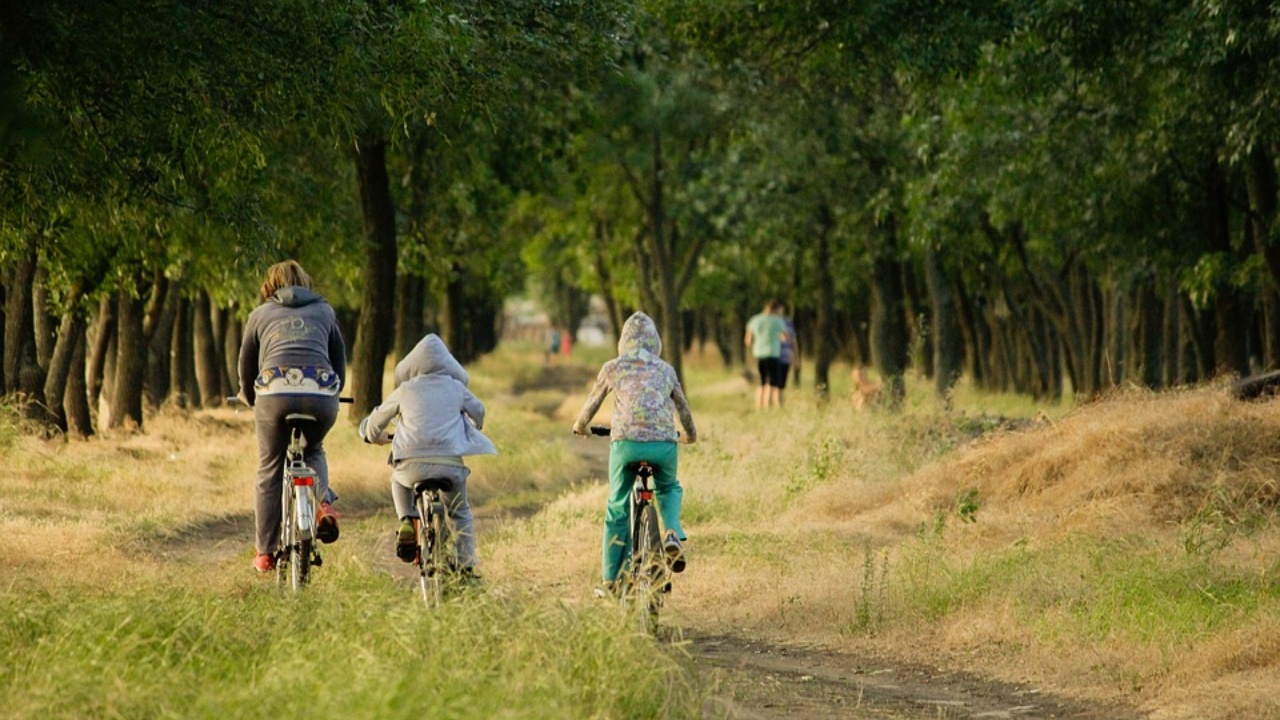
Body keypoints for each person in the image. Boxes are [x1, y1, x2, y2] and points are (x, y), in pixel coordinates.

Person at [572, 312, 697, 597]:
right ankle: (671, 533)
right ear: (656, 343)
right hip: (664, 445)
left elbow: (590, 405)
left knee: (617, 505)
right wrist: (690, 435)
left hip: (625, 445)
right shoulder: (666, 370)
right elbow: (684, 410)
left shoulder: (613, 367)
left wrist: (581, 427)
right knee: (668, 486)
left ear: (622, 342)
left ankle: (610, 580)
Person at [238, 259, 346, 573]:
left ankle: (266, 552)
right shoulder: (325, 311)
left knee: (270, 467)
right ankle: (323, 503)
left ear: (270, 286)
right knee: (313, 449)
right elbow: (338, 361)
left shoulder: (259, 315)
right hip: (320, 393)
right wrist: (333, 391)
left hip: (274, 393)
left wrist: (248, 396)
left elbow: (246, 367)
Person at [358, 333, 496, 579]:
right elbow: (479, 412)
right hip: (449, 465)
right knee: (460, 512)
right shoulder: (456, 387)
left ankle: (407, 520)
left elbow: (375, 422)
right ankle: (465, 565)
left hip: (410, 465)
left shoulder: (405, 389)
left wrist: (371, 434)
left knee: (398, 479)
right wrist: (475, 425)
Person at [744, 300, 787, 409]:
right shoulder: (778, 321)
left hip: (759, 354)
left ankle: (759, 407)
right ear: (775, 309)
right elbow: (784, 338)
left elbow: (748, 340)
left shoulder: (754, 320)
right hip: (773, 353)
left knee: (761, 383)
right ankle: (768, 407)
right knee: (772, 383)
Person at [775, 301, 799, 407]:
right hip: (773, 356)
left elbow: (793, 341)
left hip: (785, 356)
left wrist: (796, 357)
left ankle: (779, 405)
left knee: (781, 384)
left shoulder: (788, 323)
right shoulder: (770, 323)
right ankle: (775, 405)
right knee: (773, 384)